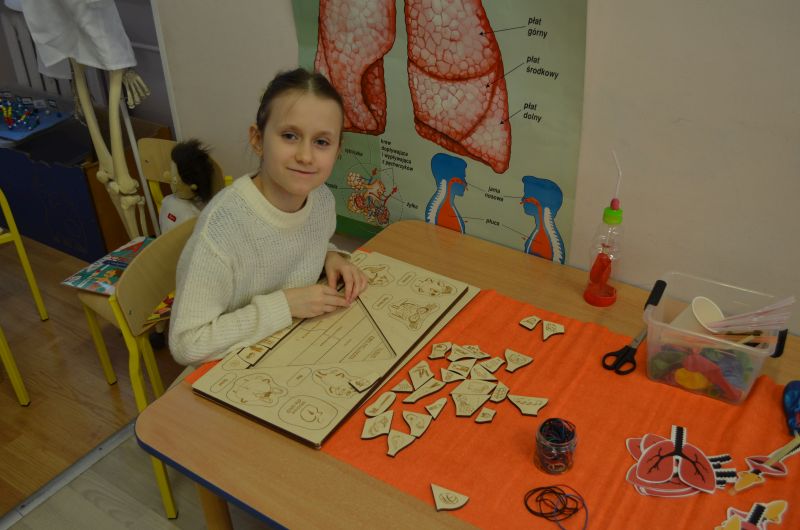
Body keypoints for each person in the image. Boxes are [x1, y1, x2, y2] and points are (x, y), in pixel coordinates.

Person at [169, 68, 368, 365]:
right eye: (290, 136)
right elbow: (187, 344)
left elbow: (293, 245)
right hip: (227, 367)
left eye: (322, 142)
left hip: (292, 349)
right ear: (258, 139)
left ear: (338, 150)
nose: (306, 156)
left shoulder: (322, 199)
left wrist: (330, 256)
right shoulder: (222, 229)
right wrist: (285, 305)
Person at [158, 139, 213, 233]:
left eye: (174, 178)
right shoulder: (167, 201)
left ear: (192, 186)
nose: (166, 176)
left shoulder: (191, 217)